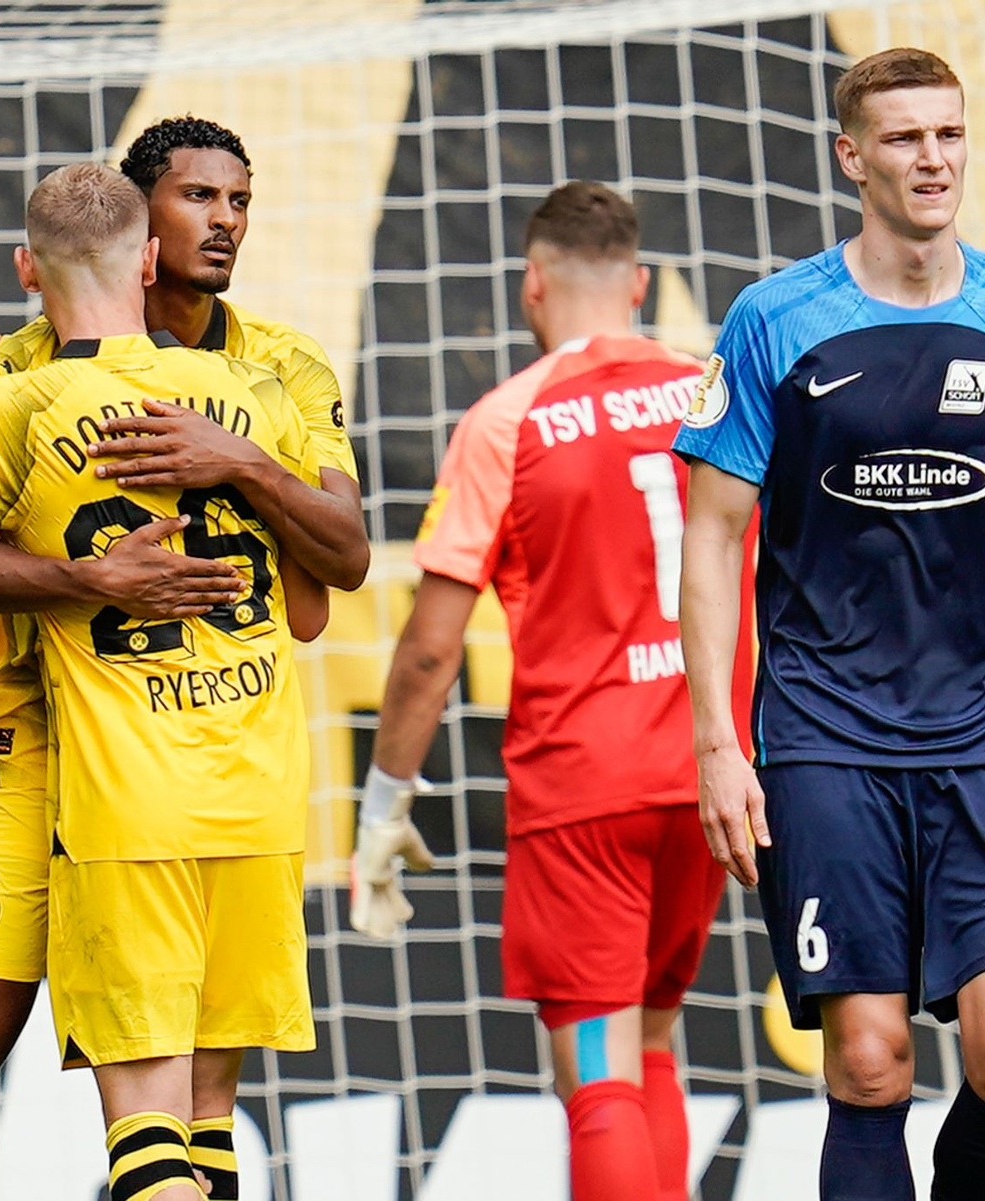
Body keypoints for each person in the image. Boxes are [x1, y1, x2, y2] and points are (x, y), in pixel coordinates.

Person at [0, 116, 367, 1201]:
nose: (225, 221)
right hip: (37, 744)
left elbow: (341, 561)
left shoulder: (279, 369)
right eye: (198, 199)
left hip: (174, 751)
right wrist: (89, 578)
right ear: (141, 227)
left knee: (195, 1082)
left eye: (239, 200)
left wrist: (244, 467)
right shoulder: (25, 364)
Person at [354, 181, 752, 1201]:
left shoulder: (507, 420)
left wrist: (385, 797)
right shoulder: (713, 391)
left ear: (532, 286)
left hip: (586, 787)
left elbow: (431, 650)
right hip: (708, 774)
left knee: (597, 1073)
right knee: (652, 1032)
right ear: (643, 282)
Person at [674, 47, 985, 1201]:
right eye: (905, 138)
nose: (934, 158)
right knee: (869, 1062)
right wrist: (717, 742)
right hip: (826, 738)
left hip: (978, 734)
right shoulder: (775, 318)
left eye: (949, 133)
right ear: (852, 158)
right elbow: (711, 539)